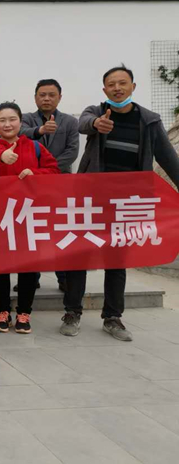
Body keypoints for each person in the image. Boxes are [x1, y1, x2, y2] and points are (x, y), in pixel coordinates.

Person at [60, 65, 179, 340]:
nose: (117, 88)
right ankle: (72, 312)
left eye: (122, 83)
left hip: (127, 203)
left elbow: (168, 158)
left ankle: (112, 317)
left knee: (117, 259)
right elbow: (83, 123)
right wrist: (96, 124)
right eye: (111, 84)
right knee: (79, 254)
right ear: (104, 90)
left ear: (133, 87)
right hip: (91, 201)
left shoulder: (149, 121)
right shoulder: (97, 112)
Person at [0, 102, 60, 334]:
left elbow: (55, 171)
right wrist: (1, 156)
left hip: (28, 215)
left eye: (12, 119)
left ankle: (24, 312)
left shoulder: (34, 146)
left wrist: (36, 173)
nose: (7, 124)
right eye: (2, 120)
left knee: (29, 266)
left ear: (20, 122)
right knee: (0, 266)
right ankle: (2, 311)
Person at [21, 78, 80, 292]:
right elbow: (20, 136)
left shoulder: (70, 122)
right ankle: (31, 277)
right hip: (31, 185)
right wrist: (40, 130)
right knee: (31, 230)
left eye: (51, 95)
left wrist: (48, 169)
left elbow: (72, 152)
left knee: (60, 231)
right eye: (42, 95)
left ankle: (63, 277)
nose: (46, 98)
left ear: (60, 97)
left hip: (60, 184)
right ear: (35, 97)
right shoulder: (26, 119)